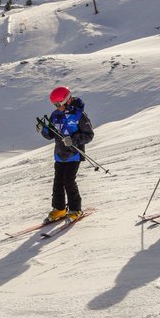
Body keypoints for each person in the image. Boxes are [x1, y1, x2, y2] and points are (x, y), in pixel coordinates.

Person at [36, 85, 94, 222]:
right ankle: (59, 209)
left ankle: (75, 209)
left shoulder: (79, 116)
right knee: (58, 182)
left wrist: (73, 139)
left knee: (68, 181)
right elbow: (51, 134)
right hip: (60, 154)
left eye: (58, 104)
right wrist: (44, 129)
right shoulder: (55, 115)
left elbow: (89, 135)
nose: (56, 107)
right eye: (54, 104)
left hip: (74, 154)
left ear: (67, 100)